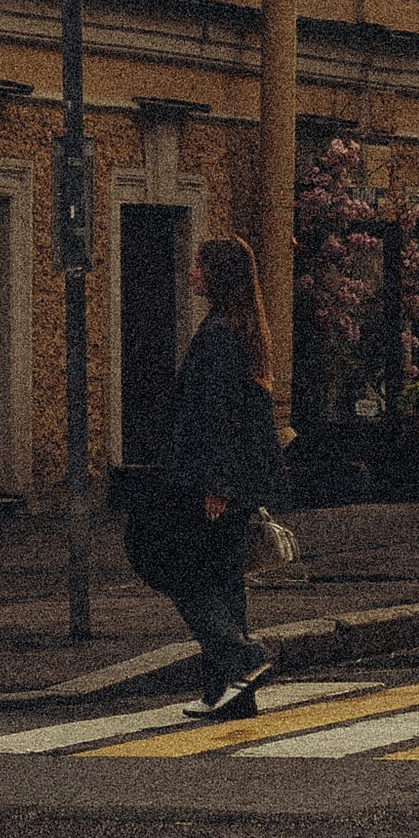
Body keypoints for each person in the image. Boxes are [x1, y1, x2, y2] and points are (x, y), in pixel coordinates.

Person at [160, 232, 291, 714]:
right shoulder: (240, 327)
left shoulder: (217, 333)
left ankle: (244, 656)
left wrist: (216, 485)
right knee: (225, 581)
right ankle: (230, 696)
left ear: (216, 275)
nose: (192, 271)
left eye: (199, 265)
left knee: (182, 573)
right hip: (235, 480)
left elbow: (216, 413)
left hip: (212, 482)